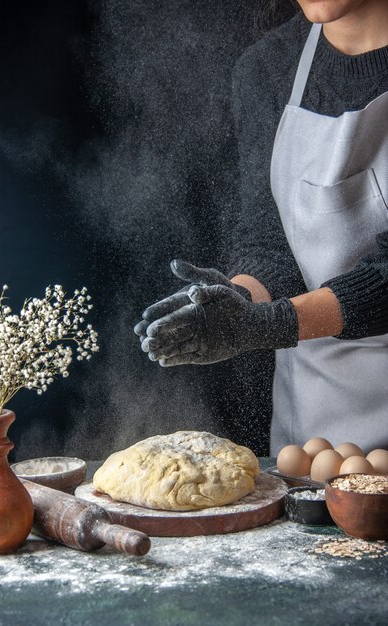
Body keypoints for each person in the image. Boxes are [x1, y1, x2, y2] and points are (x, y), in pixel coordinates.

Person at [134, 0, 388, 455]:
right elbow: (272, 239)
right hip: (311, 436)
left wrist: (272, 323)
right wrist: (239, 303)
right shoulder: (269, 69)